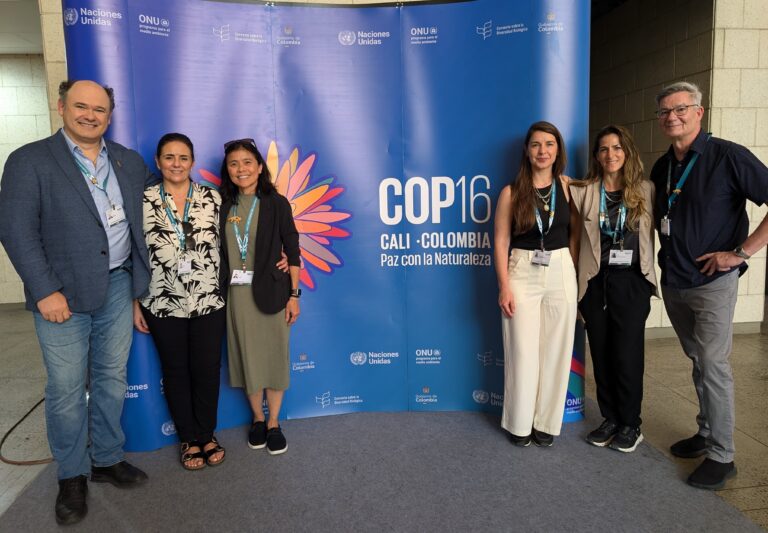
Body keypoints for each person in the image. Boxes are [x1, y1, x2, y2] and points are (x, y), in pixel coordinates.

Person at [0, 80, 153, 525]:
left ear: (110, 114)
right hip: (60, 296)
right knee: (67, 390)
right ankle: (72, 474)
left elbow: (165, 202)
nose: (91, 115)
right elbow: (16, 230)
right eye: (81, 106)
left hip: (119, 286)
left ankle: (105, 458)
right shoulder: (29, 160)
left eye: (100, 109)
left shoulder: (127, 160)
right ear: (62, 106)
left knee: (110, 378)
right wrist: (44, 290)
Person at [650, 81, 768, 490]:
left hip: (713, 284)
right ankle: (705, 431)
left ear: (700, 112)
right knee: (698, 361)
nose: (672, 117)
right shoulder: (662, 167)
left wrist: (742, 252)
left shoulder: (728, 156)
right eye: (664, 112)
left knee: (714, 365)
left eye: (681, 109)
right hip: (676, 282)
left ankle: (722, 454)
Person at [133, 133, 227, 470]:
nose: (176, 164)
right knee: (175, 371)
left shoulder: (212, 198)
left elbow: (233, 244)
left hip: (208, 301)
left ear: (192, 161)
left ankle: (207, 434)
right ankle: (188, 437)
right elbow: (132, 252)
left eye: (183, 157)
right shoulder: (141, 201)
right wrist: (134, 301)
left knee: (206, 370)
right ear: (158, 162)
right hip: (161, 301)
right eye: (169, 157)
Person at [570, 125, 658, 453]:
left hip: (631, 282)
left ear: (627, 152)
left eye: (617, 147)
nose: (611, 154)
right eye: (604, 149)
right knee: (602, 353)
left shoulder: (646, 190)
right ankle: (609, 418)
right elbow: (574, 236)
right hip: (595, 282)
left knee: (628, 356)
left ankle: (631, 424)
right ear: (596, 156)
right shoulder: (583, 191)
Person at [493, 121, 579, 447]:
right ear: (527, 152)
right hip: (522, 271)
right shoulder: (511, 193)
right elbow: (501, 242)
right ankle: (519, 424)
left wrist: (574, 272)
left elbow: (575, 237)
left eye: (549, 144)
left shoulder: (569, 188)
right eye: (536, 145)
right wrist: (504, 285)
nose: (542, 151)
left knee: (557, 350)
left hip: (560, 268)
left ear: (558, 151)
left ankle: (546, 423)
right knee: (522, 351)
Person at [219, 138, 301, 455]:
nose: (241, 169)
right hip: (236, 296)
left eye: (247, 162)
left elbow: (292, 249)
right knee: (247, 359)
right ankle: (256, 418)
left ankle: (274, 423)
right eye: (234, 163)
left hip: (272, 291)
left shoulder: (276, 203)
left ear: (259, 166)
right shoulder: (221, 204)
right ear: (227, 170)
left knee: (273, 357)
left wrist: (294, 294)